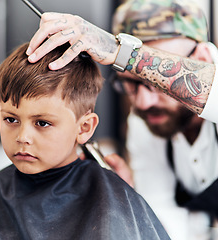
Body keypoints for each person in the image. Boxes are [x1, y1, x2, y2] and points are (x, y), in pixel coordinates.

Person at [0, 42, 170, 239]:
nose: (23, 137)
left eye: (42, 123)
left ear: (84, 127)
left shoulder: (108, 196)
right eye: (11, 119)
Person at [26, 0, 218, 239]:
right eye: (132, 84)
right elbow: (166, 220)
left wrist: (121, 52)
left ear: (203, 57)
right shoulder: (147, 122)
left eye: (158, 84)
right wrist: (132, 199)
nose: (144, 103)